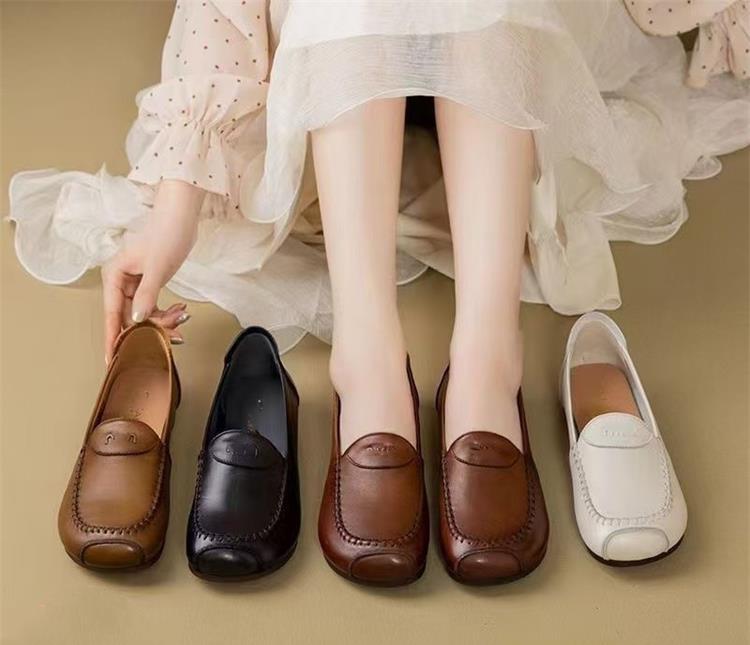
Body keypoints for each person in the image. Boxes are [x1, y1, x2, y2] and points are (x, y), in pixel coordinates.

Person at [9, 0, 750, 453]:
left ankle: (488, 359)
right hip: (334, 51)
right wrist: (178, 201)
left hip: (522, 40)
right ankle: (366, 360)